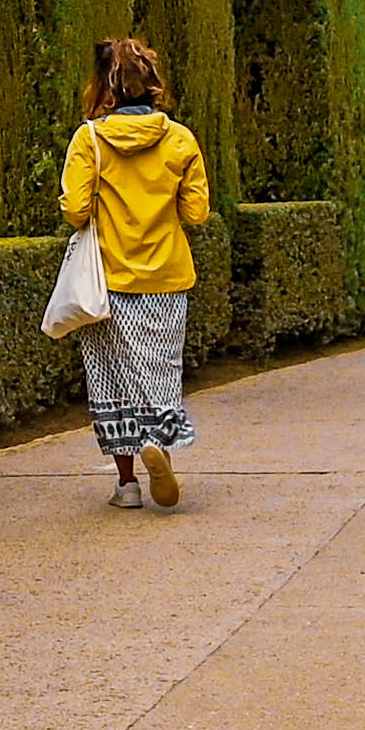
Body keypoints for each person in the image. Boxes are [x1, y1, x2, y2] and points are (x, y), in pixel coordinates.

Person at [61, 35, 216, 508]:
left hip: (108, 280)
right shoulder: (180, 139)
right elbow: (196, 212)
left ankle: (126, 484)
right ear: (151, 85)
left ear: (106, 90)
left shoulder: (89, 139)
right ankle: (161, 445)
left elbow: (74, 209)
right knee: (160, 372)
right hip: (166, 277)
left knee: (111, 376)